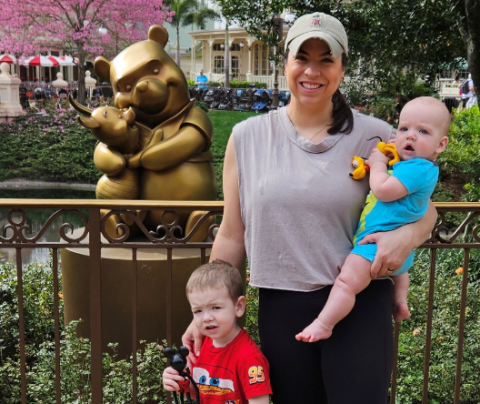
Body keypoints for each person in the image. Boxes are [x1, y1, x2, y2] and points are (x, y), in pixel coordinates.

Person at [183, 12, 437, 404]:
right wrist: (205, 312)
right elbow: (233, 234)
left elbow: (426, 211)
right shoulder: (247, 137)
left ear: (342, 68)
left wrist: (407, 235)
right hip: (281, 306)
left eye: (326, 60)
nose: (312, 71)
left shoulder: (379, 137)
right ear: (284, 63)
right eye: (302, 57)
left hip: (360, 301)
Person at [296, 97, 449, 342]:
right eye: (403, 129)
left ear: (440, 145)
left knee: (346, 283)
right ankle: (399, 302)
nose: (410, 136)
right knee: (398, 275)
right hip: (399, 253)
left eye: (422, 131)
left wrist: (378, 165)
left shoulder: (418, 168)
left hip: (374, 246)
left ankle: (324, 323)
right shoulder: (417, 166)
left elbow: (383, 190)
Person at [163, 260, 272, 404]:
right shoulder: (199, 347)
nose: (207, 318)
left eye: (215, 307)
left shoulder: (249, 358)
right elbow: (195, 392)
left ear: (239, 306)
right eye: (198, 311)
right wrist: (177, 381)